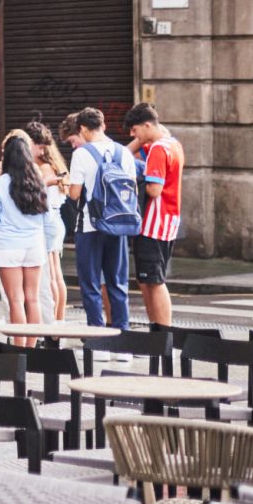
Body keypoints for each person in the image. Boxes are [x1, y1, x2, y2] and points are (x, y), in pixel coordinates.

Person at [64, 107, 133, 334]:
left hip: (90, 225)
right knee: (118, 284)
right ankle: (122, 339)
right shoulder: (123, 152)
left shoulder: (82, 154)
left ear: (83, 129)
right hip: (119, 224)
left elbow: (74, 194)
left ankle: (97, 338)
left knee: (91, 285)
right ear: (103, 125)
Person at [0, 132, 50, 346]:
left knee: (16, 300)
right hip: (34, 245)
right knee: (33, 298)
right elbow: (46, 216)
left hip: (8, 246)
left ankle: (19, 348)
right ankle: (32, 348)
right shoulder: (38, 182)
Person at [125, 102, 182, 328]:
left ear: (147, 124)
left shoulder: (158, 150)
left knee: (154, 280)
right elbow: (126, 153)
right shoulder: (172, 144)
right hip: (167, 220)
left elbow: (154, 189)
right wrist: (143, 137)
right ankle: (157, 331)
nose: (133, 135)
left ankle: (163, 334)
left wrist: (140, 177)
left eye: (135, 129)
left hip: (154, 222)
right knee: (146, 279)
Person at [25, 119, 70, 324]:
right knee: (56, 273)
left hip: (46, 221)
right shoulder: (55, 164)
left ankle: (52, 320)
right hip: (56, 220)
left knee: (50, 275)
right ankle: (58, 320)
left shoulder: (41, 168)